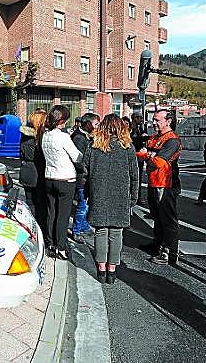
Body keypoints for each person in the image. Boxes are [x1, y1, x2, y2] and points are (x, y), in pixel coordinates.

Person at [83, 114, 139, 284]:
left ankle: (101, 269)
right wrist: (133, 196)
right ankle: (112, 270)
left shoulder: (93, 146)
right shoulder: (127, 147)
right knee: (116, 232)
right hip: (120, 195)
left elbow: (85, 173)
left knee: (100, 231)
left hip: (98, 194)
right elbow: (134, 175)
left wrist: (86, 194)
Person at [137, 110, 182, 265]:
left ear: (168, 121)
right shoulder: (154, 137)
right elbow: (140, 154)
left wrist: (147, 155)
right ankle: (157, 244)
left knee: (167, 219)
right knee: (156, 216)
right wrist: (148, 155)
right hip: (153, 182)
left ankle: (169, 252)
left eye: (157, 120)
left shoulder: (172, 140)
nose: (154, 123)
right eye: (154, 120)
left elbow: (159, 162)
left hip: (166, 184)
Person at [41, 105, 83, 259]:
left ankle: (51, 244)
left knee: (51, 213)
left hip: (49, 177)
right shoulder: (63, 137)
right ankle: (61, 247)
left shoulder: (45, 136)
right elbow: (77, 157)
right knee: (63, 216)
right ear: (62, 120)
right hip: (65, 178)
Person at [70, 112, 101, 243]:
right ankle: (76, 230)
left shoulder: (85, 136)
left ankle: (83, 225)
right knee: (83, 205)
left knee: (85, 204)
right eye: (96, 124)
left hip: (85, 176)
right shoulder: (79, 138)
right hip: (81, 177)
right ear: (88, 124)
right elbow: (79, 160)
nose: (97, 127)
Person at [19, 111, 48, 237]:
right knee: (40, 205)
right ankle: (40, 232)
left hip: (26, 172)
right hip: (37, 173)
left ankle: (31, 231)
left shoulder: (24, 136)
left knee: (30, 203)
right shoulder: (39, 138)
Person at [130, 112, 147, 203]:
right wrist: (141, 138)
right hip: (134, 156)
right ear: (134, 118)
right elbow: (133, 141)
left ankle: (138, 197)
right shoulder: (131, 129)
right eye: (139, 117)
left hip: (140, 156)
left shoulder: (140, 128)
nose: (141, 119)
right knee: (134, 178)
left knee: (139, 178)